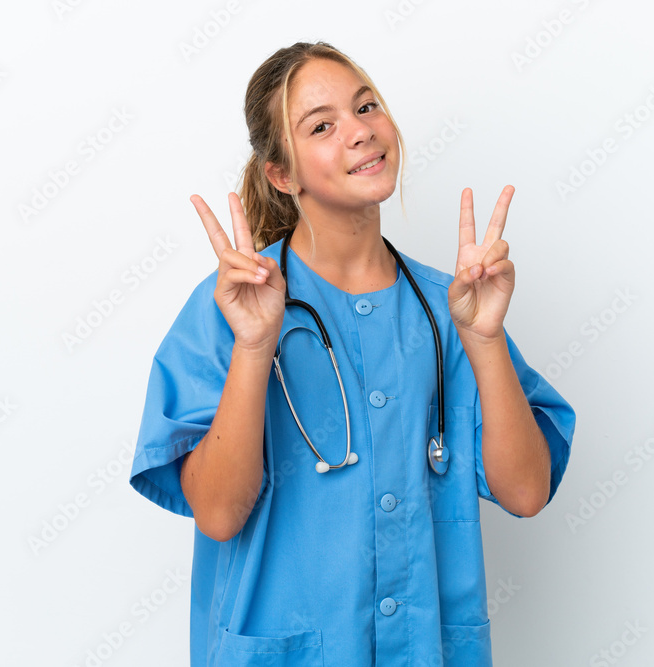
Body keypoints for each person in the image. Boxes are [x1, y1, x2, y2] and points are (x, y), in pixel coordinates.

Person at [129, 41, 576, 667]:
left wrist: (484, 340)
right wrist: (257, 346)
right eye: (322, 125)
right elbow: (220, 514)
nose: (360, 131)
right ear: (282, 175)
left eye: (367, 106)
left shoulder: (451, 308)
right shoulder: (231, 307)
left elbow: (526, 491)